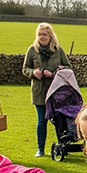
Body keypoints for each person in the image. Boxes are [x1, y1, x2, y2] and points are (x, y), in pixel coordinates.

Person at [23, 23, 71, 157]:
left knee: (58, 120)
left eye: (44, 34)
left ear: (50, 35)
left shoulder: (58, 50)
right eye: (39, 34)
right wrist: (33, 72)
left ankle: (62, 147)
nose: (42, 37)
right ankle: (40, 149)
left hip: (56, 91)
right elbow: (25, 68)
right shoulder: (32, 50)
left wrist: (55, 72)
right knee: (41, 120)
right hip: (39, 90)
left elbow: (68, 66)